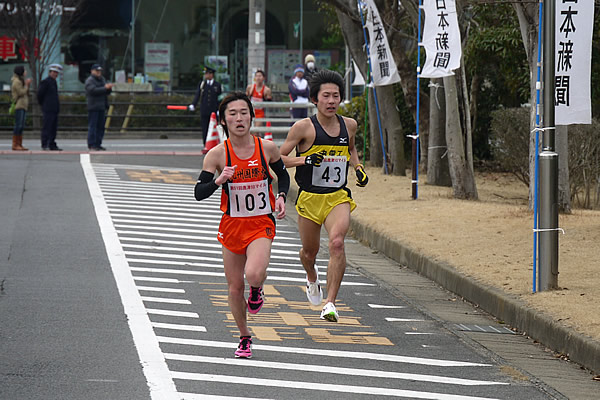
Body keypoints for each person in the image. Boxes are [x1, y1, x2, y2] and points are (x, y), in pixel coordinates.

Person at [194, 92, 290, 358]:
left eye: (244, 113)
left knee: (254, 274)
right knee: (235, 287)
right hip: (232, 226)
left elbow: (283, 175)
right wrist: (218, 181)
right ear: (223, 121)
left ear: (252, 116)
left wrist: (281, 196)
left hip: (261, 223)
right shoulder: (217, 155)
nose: (239, 118)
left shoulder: (266, 148)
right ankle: (244, 336)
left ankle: (257, 289)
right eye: (233, 114)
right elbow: (198, 192)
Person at [279, 69, 369, 322]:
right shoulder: (302, 128)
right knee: (309, 253)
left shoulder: (349, 125)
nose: (331, 101)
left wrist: (358, 168)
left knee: (337, 243)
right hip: (309, 198)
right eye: (326, 96)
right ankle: (312, 276)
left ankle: (330, 303)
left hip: (337, 197)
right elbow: (278, 159)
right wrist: (305, 160)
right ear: (314, 99)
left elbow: (351, 149)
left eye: (336, 96)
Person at [189, 66, 222, 149]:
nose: (206, 75)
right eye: (205, 74)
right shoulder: (202, 84)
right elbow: (198, 95)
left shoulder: (217, 85)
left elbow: (220, 98)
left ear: (211, 74)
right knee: (205, 128)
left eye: (207, 74)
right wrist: (193, 104)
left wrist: (219, 109)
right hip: (204, 109)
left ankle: (215, 144)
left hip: (214, 110)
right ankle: (205, 144)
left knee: (215, 128)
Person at [85, 64, 113, 151]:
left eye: (100, 71)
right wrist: (105, 88)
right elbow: (93, 91)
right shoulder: (90, 80)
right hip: (93, 106)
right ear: (92, 71)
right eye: (97, 71)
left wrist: (109, 88)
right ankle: (92, 144)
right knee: (93, 126)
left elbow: (106, 92)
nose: (98, 73)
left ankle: (98, 143)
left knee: (101, 127)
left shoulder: (102, 79)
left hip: (101, 106)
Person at [37, 64, 63, 151]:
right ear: (50, 72)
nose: (55, 74)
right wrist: (43, 104)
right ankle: (45, 143)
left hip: (54, 108)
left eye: (56, 73)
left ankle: (52, 143)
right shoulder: (45, 82)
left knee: (53, 127)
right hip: (48, 108)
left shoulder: (54, 82)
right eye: (54, 72)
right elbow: (40, 94)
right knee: (47, 126)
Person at [10, 66, 32, 151]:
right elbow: (21, 92)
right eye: (24, 70)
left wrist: (27, 85)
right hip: (19, 105)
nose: (25, 72)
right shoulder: (16, 81)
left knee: (21, 125)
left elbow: (26, 92)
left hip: (23, 105)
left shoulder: (20, 81)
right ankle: (15, 144)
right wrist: (26, 85)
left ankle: (19, 144)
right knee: (18, 125)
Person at [245, 69, 272, 133]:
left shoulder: (266, 90)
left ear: (263, 78)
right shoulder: (250, 87)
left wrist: (267, 98)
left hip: (260, 113)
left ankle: (257, 138)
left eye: (260, 76)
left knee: (256, 131)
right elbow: (245, 98)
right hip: (250, 111)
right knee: (249, 131)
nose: (258, 78)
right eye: (256, 76)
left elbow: (269, 102)